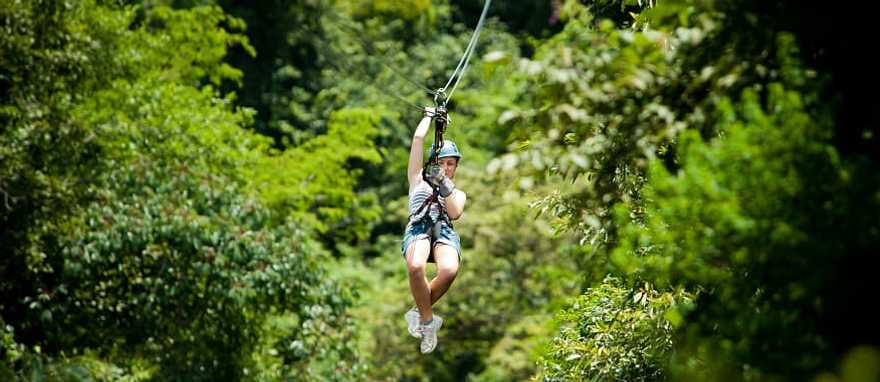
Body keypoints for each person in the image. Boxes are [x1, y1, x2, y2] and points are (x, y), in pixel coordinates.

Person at [401, 107, 467, 354]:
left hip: (443, 232)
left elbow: (455, 213)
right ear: (433, 163)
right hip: (419, 228)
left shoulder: (457, 192)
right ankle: (428, 322)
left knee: (449, 269)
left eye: (451, 164)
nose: (447, 167)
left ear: (455, 167)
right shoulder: (417, 179)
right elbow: (418, 140)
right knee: (416, 267)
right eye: (442, 163)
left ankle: (419, 311)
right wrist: (428, 117)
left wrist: (445, 185)